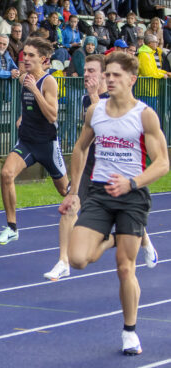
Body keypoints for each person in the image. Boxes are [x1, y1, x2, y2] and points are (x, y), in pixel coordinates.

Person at [59, 52, 169, 355]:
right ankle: (111, 238)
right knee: (77, 258)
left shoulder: (145, 115)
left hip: (132, 197)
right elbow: (80, 149)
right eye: (107, 74)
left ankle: (130, 331)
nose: (109, 79)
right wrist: (73, 192)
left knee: (125, 268)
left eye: (116, 75)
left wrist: (132, 182)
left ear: (132, 79)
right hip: (100, 193)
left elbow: (162, 164)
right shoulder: (95, 112)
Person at [45, 53, 160, 280]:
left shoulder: (117, 97)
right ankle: (63, 261)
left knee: (125, 210)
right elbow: (86, 140)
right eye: (85, 70)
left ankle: (141, 238)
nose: (87, 75)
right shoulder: (87, 100)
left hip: (117, 167)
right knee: (70, 205)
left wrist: (95, 96)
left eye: (92, 71)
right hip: (92, 164)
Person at [0, 37, 69, 245]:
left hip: (46, 144)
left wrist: (36, 91)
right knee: (6, 173)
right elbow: (28, 107)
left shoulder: (48, 82)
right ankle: (12, 228)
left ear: (43, 59)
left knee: (65, 191)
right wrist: (22, 117)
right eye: (24, 54)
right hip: (26, 141)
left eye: (30, 55)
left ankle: (93, 215)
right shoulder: (23, 78)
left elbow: (52, 116)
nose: (25, 58)